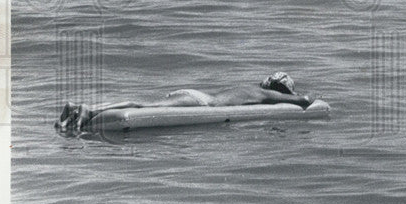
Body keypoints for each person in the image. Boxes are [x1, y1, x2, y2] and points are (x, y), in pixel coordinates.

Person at [56, 72, 312, 135]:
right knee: (143, 106)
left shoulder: (250, 89)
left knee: (146, 105)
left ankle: (83, 111)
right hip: (200, 102)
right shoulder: (267, 96)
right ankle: (88, 109)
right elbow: (301, 101)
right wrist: (310, 98)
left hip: (196, 95)